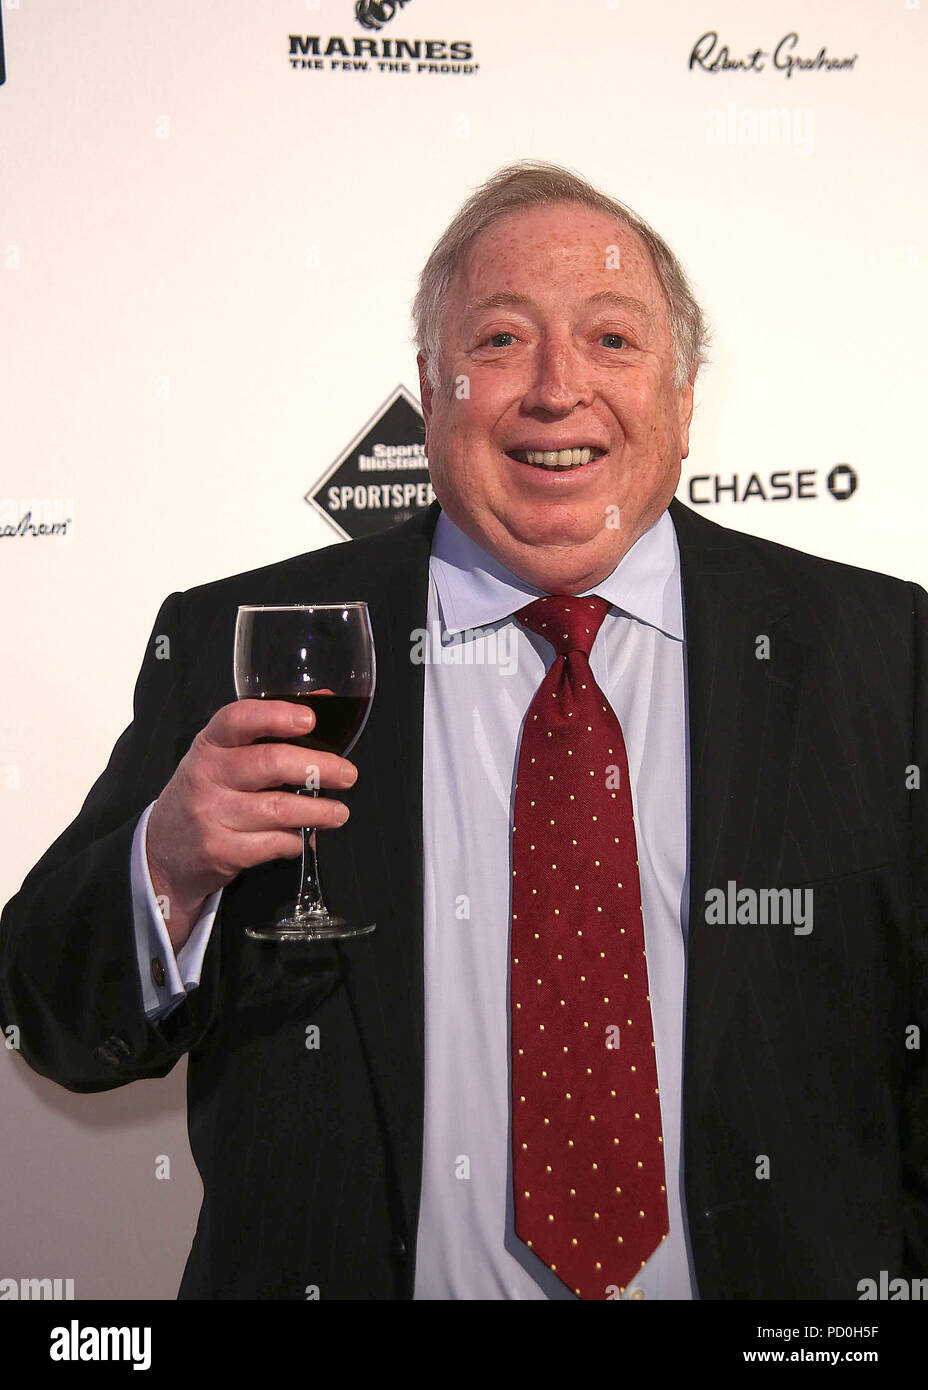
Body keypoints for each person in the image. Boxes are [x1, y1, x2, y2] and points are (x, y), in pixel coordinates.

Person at [2, 160, 926, 1301]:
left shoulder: (879, 652)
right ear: (432, 394)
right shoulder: (250, 643)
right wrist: (169, 866)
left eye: (613, 341)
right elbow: (52, 1018)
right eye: (497, 341)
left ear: (685, 401)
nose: (555, 388)